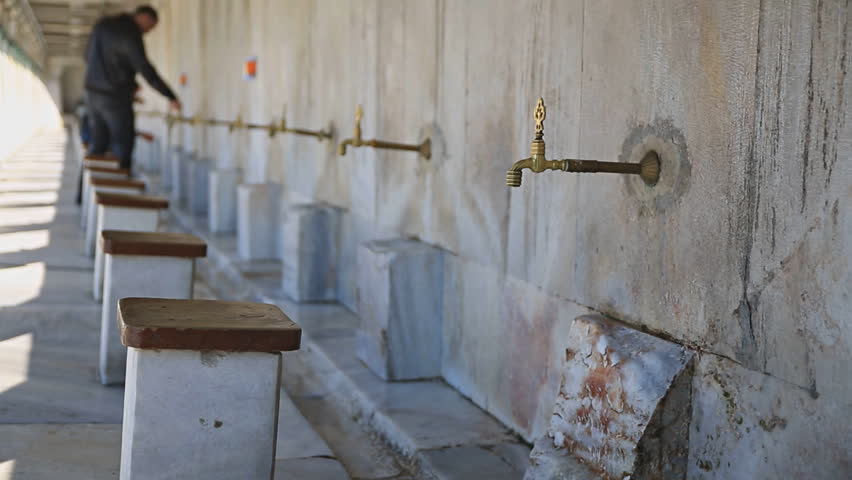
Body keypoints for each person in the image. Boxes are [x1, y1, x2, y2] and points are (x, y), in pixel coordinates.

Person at [83, 5, 181, 171]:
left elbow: (88, 56)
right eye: (150, 27)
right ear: (144, 17)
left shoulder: (102, 25)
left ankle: (87, 184)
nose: (148, 32)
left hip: (92, 93)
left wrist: (130, 84)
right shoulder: (130, 33)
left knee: (98, 143)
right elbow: (144, 68)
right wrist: (170, 96)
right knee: (123, 143)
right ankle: (120, 181)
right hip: (115, 96)